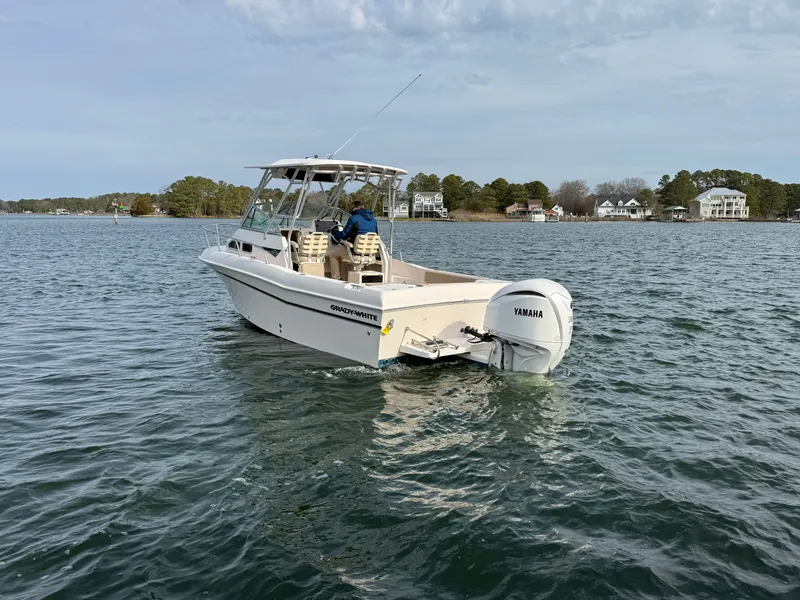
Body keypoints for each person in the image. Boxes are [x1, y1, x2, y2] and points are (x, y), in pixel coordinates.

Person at [328, 200, 378, 280]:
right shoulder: (373, 220)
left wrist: (335, 233)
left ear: (355, 208)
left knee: (333, 254)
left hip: (355, 251)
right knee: (345, 251)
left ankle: (336, 278)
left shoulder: (353, 218)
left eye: (352, 208)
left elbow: (344, 234)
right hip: (369, 253)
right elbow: (375, 234)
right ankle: (347, 277)